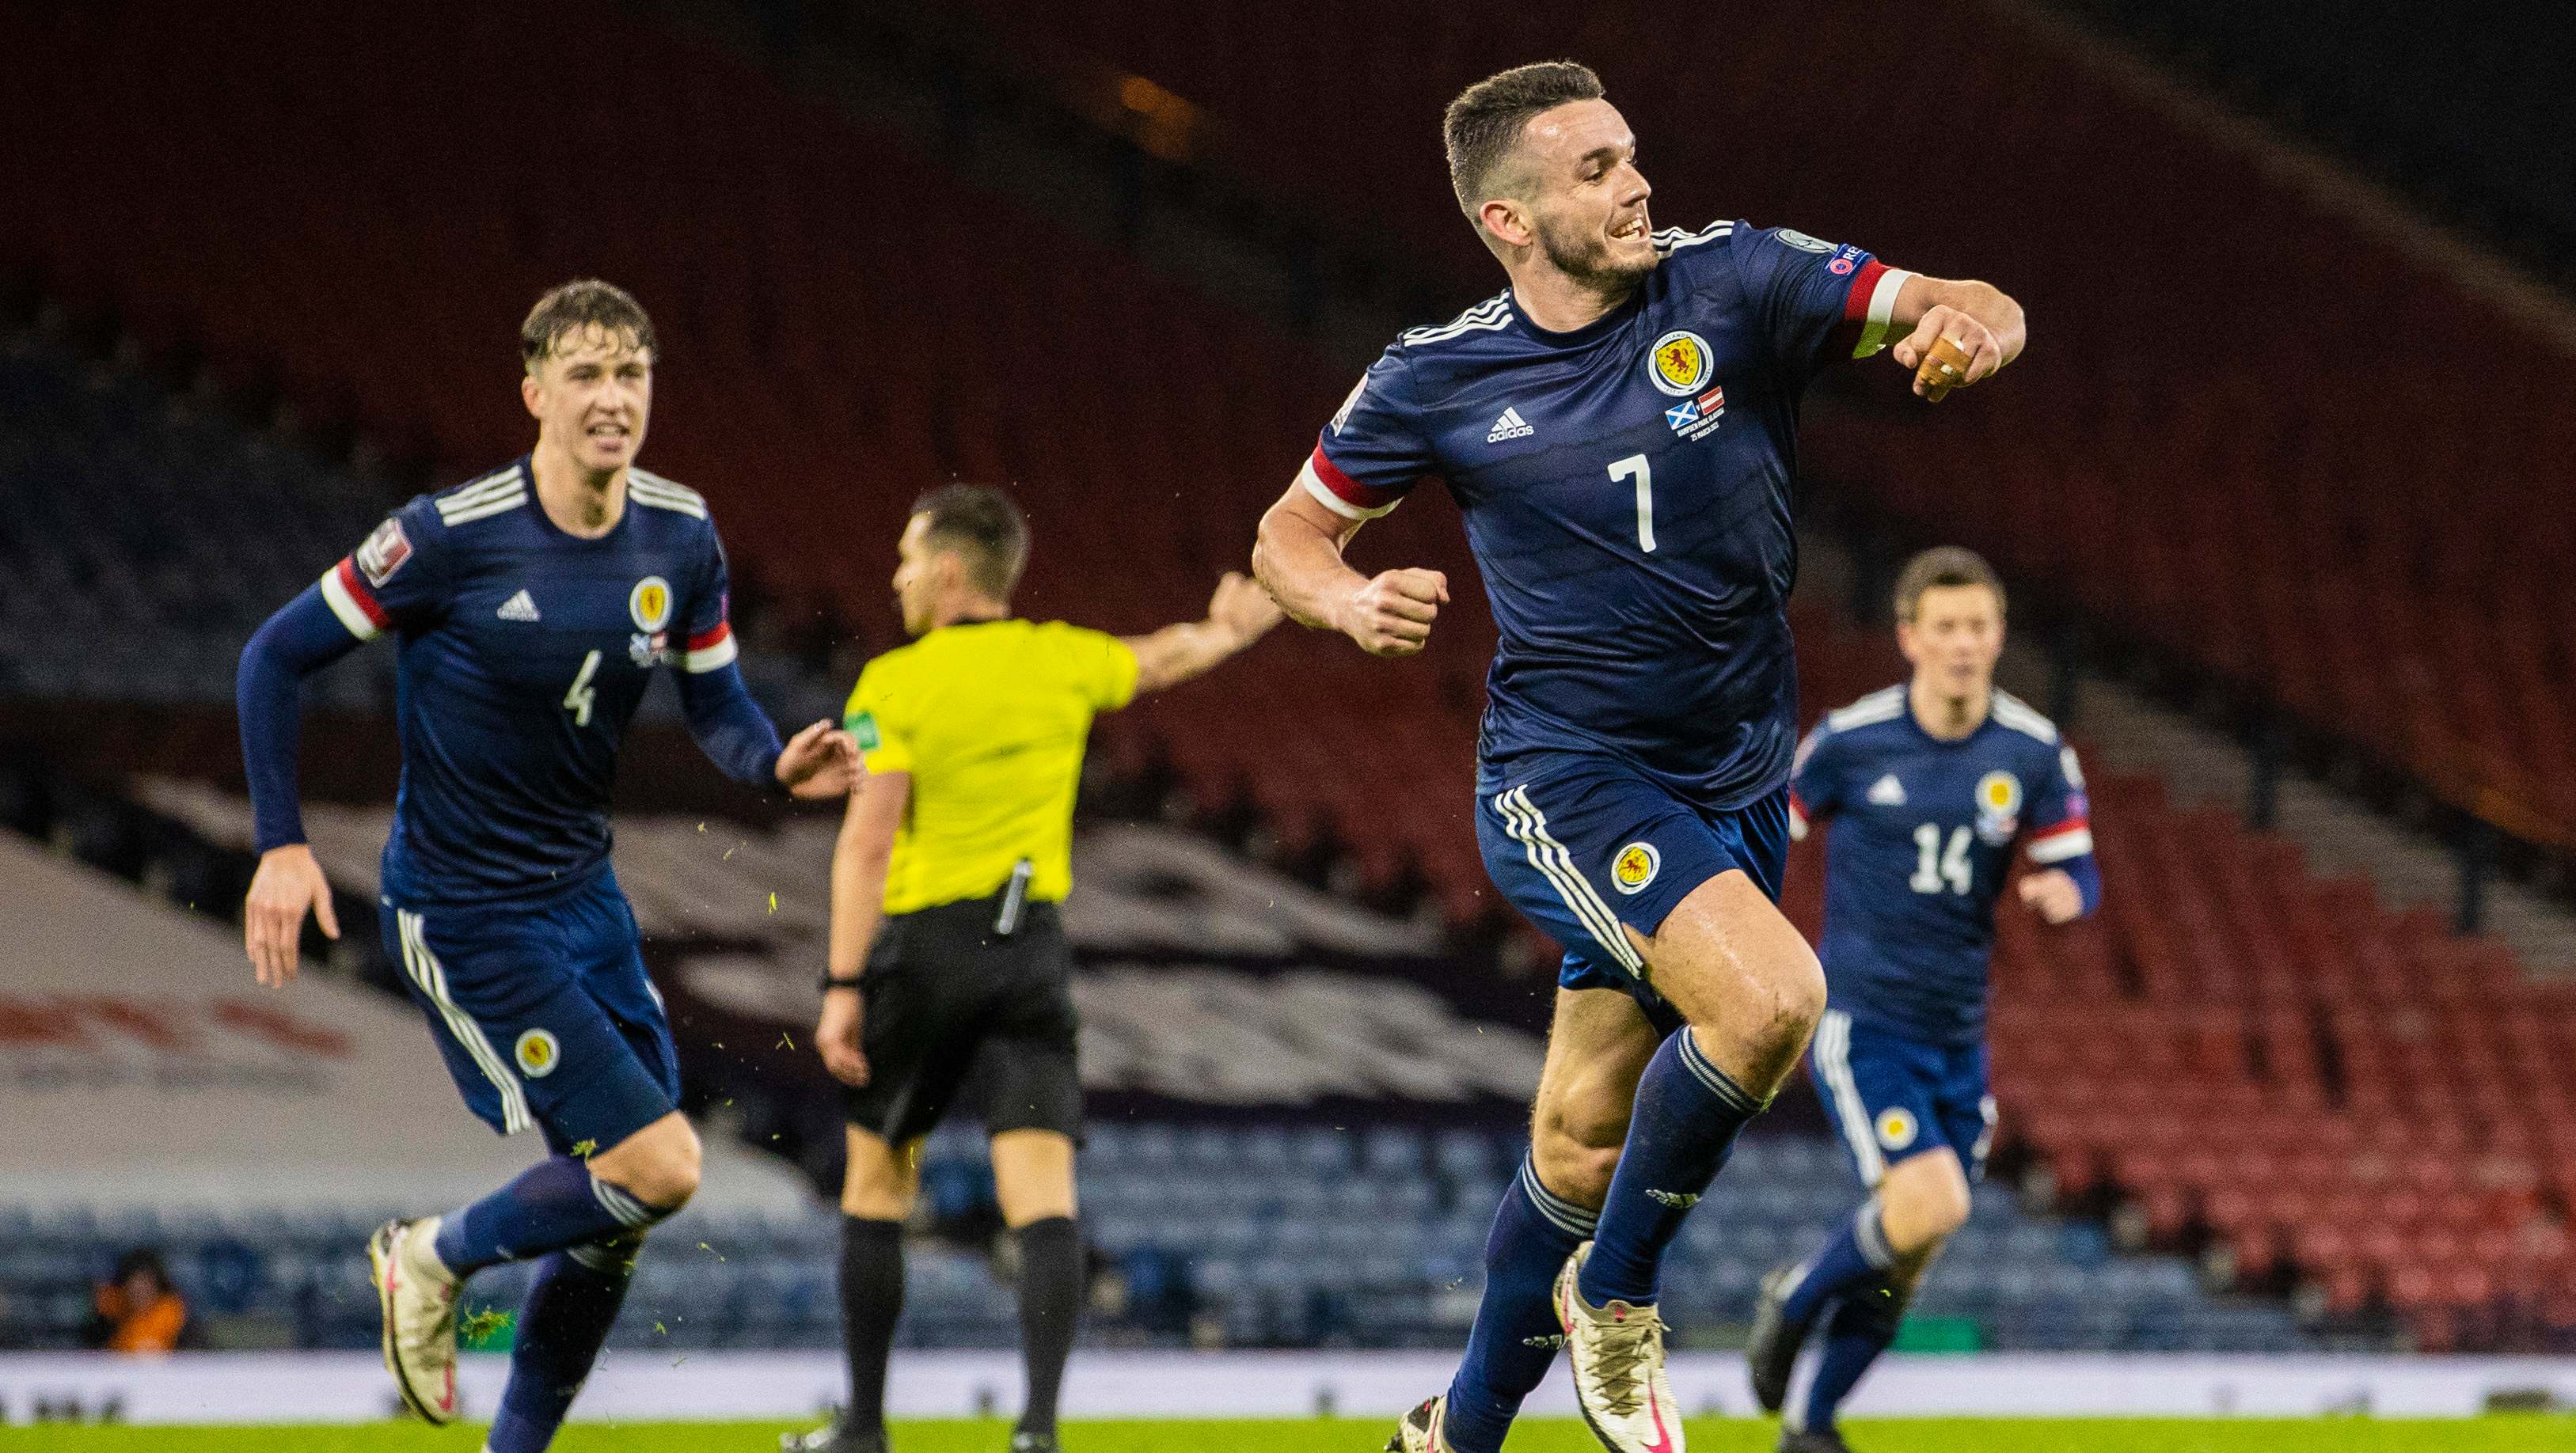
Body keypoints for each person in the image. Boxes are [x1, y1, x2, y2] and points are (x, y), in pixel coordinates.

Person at [1250, 61, 2027, 1453]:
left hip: (1735, 781)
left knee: (1574, 1145)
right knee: (1772, 1003)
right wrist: (1346, 599)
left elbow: (1958, 300)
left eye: (1628, 156)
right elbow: (1284, 538)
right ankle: (1614, 1296)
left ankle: (1452, 1434)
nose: (1634, 186)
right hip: (1562, 776)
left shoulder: (1730, 283)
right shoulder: (1434, 375)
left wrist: (1977, 329)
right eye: (1593, 171)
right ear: (1505, 218)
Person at [233, 280, 857, 1451]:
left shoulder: (682, 533)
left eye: (632, 373)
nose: (614, 396)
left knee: (614, 1209)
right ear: (534, 393)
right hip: (467, 909)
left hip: (586, 901)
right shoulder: (447, 537)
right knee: (659, 1168)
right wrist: (280, 844)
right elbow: (273, 658)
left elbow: (714, 701)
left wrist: (775, 766)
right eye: (586, 373)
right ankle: (427, 1256)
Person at [788, 485, 1280, 1453]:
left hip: (924, 948)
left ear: (946, 570)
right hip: (1028, 951)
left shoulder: (892, 685)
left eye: (903, 559)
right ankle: (1039, 1432)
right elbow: (1161, 657)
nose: (892, 578)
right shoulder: (1060, 658)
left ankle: (861, 1428)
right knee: (1043, 1200)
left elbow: (865, 846)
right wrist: (1229, 631)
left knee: (877, 1189)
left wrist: (842, 987)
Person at [1747, 548, 2099, 1452]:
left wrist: (2067, 894)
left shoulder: (2031, 751)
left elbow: (2075, 863)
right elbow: (1764, 830)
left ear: (1998, 636)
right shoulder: (1852, 740)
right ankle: (1795, 1297)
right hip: (1865, 1023)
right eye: (1943, 626)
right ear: (1908, 636)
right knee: (1932, 1205)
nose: (1962, 644)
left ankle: (1810, 1425)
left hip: (1958, 1036)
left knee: (1910, 1251)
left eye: (1977, 626)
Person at [88, 1249, 196, 1354]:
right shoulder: (112, 1311)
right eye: (134, 1284)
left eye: (145, 1283)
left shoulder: (173, 1312)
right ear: (125, 1286)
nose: (140, 1290)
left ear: (156, 1285)